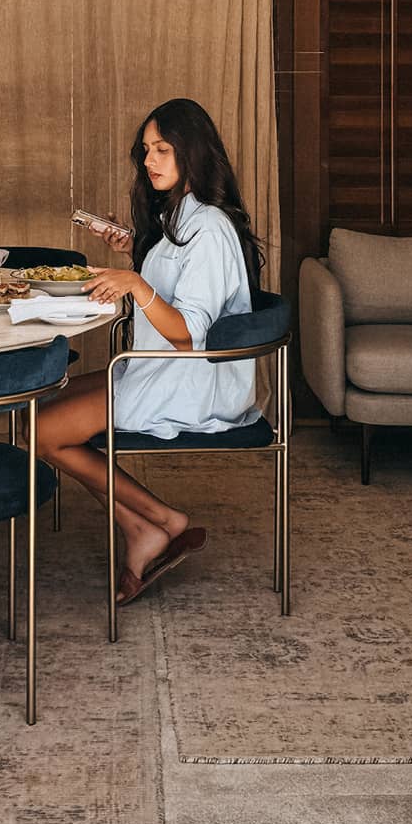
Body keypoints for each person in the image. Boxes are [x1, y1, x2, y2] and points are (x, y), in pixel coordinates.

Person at [36, 97, 265, 604]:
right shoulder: (181, 219)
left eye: (163, 149)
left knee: (41, 430)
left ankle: (163, 520)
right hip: (161, 370)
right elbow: (172, 282)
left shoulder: (207, 228)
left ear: (193, 153)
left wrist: (137, 285)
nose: (149, 161)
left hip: (192, 381)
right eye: (145, 150)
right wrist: (135, 250)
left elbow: (187, 332)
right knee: (49, 405)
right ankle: (142, 530)